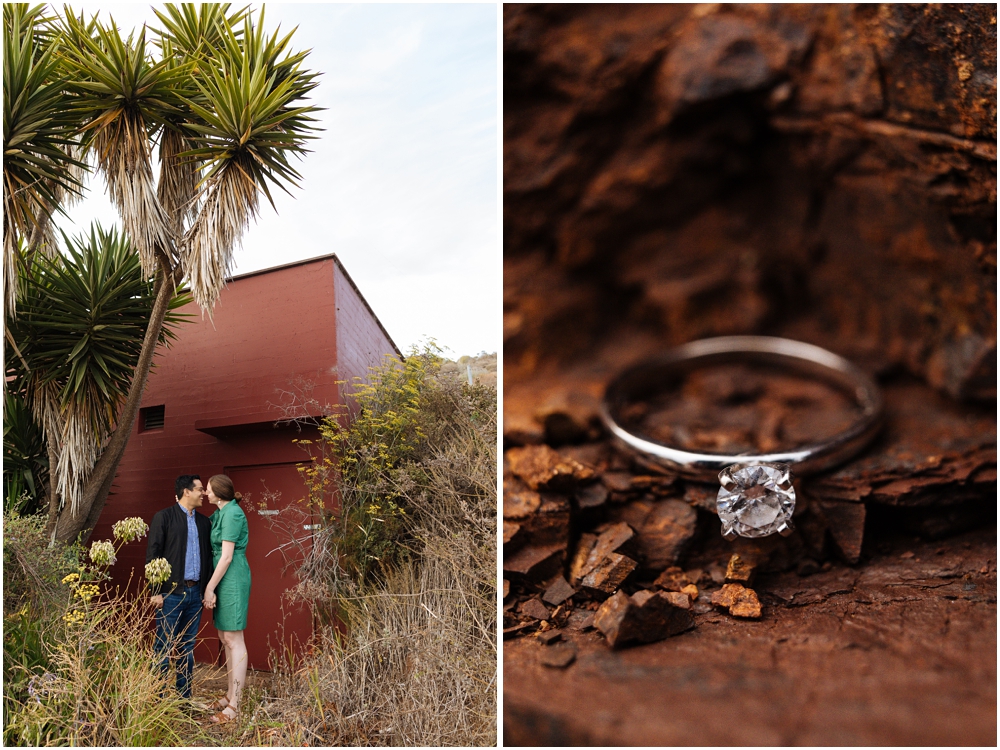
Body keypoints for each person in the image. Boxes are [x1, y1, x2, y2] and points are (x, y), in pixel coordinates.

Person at [146, 474, 213, 700]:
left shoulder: (205, 522)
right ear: (186, 492)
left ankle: (185, 699)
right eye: (200, 489)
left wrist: (206, 590)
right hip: (170, 595)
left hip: (196, 594)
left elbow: (209, 558)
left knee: (187, 647)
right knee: (163, 647)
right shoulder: (163, 517)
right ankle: (157, 700)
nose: (203, 493)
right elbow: (152, 556)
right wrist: (155, 592)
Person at [203, 474, 252, 724]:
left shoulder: (232, 513)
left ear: (219, 493)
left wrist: (210, 588)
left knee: (233, 638)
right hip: (222, 576)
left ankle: (235, 705)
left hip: (231, 577)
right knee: (224, 637)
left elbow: (227, 556)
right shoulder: (222, 511)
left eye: (208, 490)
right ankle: (230, 694)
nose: (205, 493)